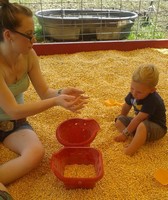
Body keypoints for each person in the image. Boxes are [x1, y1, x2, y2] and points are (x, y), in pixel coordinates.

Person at [0, 0, 88, 188]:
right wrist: (56, 101)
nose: (35, 40)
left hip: (14, 125)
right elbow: (14, 109)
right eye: (29, 35)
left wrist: (61, 92)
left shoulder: (30, 55)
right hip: (15, 115)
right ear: (8, 35)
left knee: (36, 153)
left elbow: (45, 93)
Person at [114, 64, 167, 156]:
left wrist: (125, 133)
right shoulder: (134, 92)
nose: (134, 93)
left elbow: (138, 119)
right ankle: (138, 138)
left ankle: (129, 151)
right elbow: (126, 106)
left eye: (139, 92)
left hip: (156, 128)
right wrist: (122, 116)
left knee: (142, 126)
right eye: (132, 88)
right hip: (140, 124)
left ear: (152, 90)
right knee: (119, 120)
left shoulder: (153, 100)